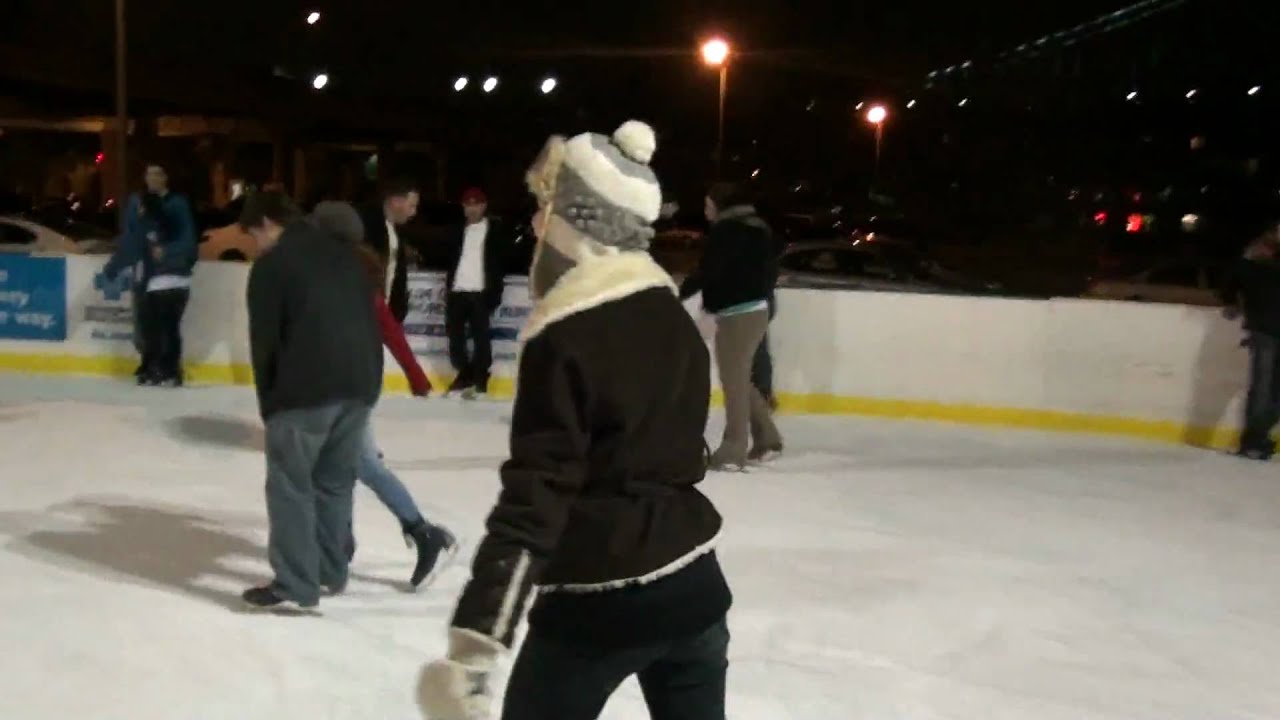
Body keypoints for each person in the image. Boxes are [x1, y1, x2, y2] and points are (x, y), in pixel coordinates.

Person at [418, 121, 732, 720]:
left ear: (577, 224)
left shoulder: (566, 334)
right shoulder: (671, 315)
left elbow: (538, 494)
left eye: (546, 209)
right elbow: (683, 453)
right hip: (696, 587)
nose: (536, 225)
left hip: (598, 599)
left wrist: (476, 645)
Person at [239, 191, 384, 611]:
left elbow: (264, 342)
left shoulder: (273, 266)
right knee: (335, 483)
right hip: (359, 385)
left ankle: (295, 583)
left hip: (305, 389)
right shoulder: (347, 257)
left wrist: (270, 404)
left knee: (290, 485)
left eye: (252, 235)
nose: (253, 245)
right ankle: (331, 571)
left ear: (266, 223)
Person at [310, 201, 458, 588]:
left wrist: (417, 378)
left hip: (351, 390)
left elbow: (390, 331)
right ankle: (341, 545)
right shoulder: (327, 274)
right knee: (337, 466)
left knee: (358, 465)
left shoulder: (351, 278)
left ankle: (426, 535)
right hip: (333, 387)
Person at [680, 182, 784, 470]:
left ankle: (732, 450)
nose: (705, 210)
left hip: (736, 314)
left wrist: (701, 305)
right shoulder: (759, 228)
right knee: (739, 378)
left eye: (707, 204)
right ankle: (768, 440)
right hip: (756, 310)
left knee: (734, 381)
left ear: (719, 204)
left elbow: (711, 272)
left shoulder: (726, 231)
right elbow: (767, 272)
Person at [102, 188, 198, 386]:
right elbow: (190, 249)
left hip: (158, 285)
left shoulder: (145, 226)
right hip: (181, 285)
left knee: (152, 331)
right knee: (171, 329)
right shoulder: (174, 224)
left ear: (144, 208)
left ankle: (154, 369)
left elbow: (129, 250)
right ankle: (172, 371)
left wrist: (111, 270)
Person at [443, 187, 509, 398]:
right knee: (455, 336)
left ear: (484, 206)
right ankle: (465, 372)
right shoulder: (457, 231)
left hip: (481, 291)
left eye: (476, 204)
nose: (472, 209)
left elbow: (502, 260)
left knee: (481, 337)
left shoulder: (494, 231)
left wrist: (495, 289)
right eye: (468, 205)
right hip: (458, 290)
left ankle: (480, 376)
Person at [1221, 223, 1280, 460]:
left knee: (1264, 388)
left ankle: (1257, 438)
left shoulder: (1253, 265)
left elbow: (1231, 282)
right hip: (1264, 329)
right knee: (1265, 388)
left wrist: (1232, 301)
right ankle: (1256, 439)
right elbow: (1232, 281)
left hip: (1263, 328)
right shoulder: (1254, 265)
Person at [360, 177, 420, 323]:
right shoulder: (366, 225)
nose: (414, 212)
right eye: (411, 206)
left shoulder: (397, 232)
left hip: (385, 313)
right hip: (365, 312)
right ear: (396, 201)